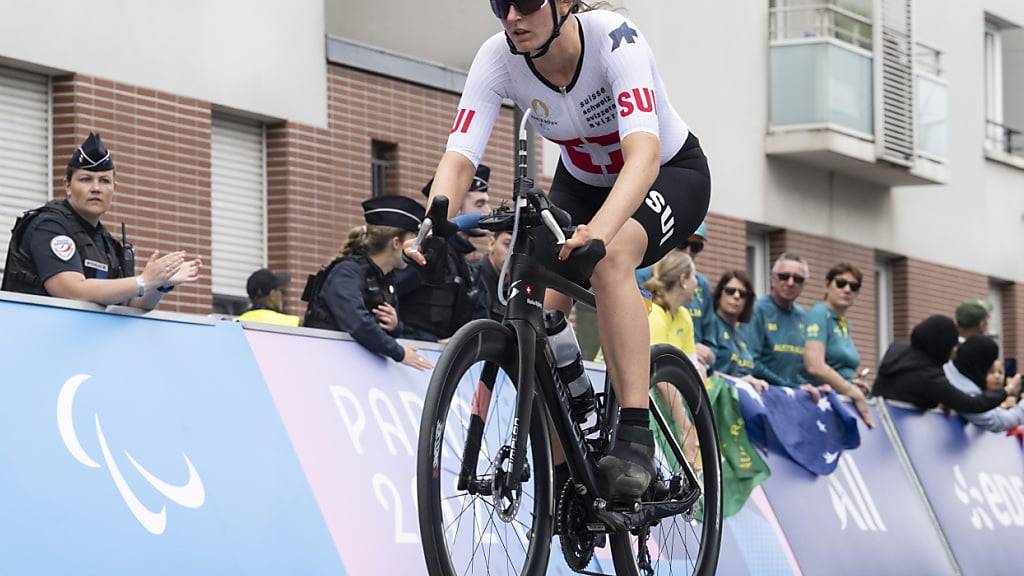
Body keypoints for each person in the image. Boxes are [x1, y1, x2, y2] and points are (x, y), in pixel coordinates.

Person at [406, 0, 711, 501]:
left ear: (564, 3)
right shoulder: (496, 56)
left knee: (611, 258)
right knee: (537, 310)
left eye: (526, 3)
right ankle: (570, 452)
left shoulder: (615, 39)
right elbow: (460, 154)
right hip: (582, 181)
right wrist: (435, 218)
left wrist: (600, 232)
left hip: (668, 172)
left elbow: (644, 154)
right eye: (499, 4)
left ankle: (635, 435)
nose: (512, 17)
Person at [2, 132, 201, 307]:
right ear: (68, 186)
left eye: (104, 181)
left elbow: (132, 303)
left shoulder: (108, 244)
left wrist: (160, 283)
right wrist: (143, 281)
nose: (96, 188)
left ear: (114, 187)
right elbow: (71, 291)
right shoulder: (48, 226)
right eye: (86, 179)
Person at [303, 196, 433, 370]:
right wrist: (399, 353)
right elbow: (357, 322)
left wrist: (395, 326)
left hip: (355, 369)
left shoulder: (387, 278)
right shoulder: (346, 272)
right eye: (413, 240)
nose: (418, 248)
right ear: (395, 243)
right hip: (325, 366)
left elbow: (375, 327)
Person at [392, 167, 492, 341]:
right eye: (479, 204)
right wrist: (430, 343)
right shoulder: (426, 252)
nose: (488, 211)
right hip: (413, 359)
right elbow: (388, 301)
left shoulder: (466, 265)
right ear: (456, 208)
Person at [873, 315, 1006, 413]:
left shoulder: (898, 349)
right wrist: (1006, 391)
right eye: (951, 345)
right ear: (941, 346)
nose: (954, 351)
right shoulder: (929, 377)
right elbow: (972, 405)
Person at [802, 262, 873, 427]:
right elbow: (814, 366)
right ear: (827, 284)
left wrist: (854, 383)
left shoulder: (844, 323)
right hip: (821, 404)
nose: (847, 289)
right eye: (840, 283)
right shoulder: (820, 314)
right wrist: (850, 390)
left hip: (841, 402)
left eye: (854, 287)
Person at [747, 253, 821, 397]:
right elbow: (751, 362)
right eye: (784, 276)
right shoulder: (757, 310)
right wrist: (789, 386)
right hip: (765, 395)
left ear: (804, 285)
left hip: (794, 398)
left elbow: (807, 366)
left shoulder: (804, 317)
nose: (791, 283)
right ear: (773, 279)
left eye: (798, 279)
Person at [943, 336, 1024, 432]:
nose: (997, 376)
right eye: (990, 369)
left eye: (1000, 372)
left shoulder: (947, 370)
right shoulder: (965, 390)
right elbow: (994, 421)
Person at [705, 271, 767, 389]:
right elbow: (702, 371)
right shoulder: (710, 324)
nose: (736, 296)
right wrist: (737, 381)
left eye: (743, 294)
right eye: (730, 291)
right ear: (719, 294)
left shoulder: (743, 333)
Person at [473, 230, 513, 320]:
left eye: (519, 248)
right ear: (491, 243)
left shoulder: (515, 288)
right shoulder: (474, 280)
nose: (512, 253)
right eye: (508, 245)